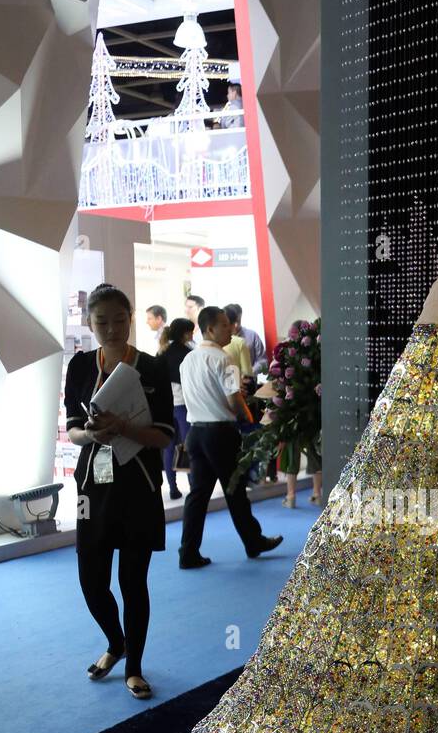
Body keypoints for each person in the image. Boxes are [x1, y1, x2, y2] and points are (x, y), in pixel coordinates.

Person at [64, 283, 175, 700]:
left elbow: (165, 437)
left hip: (140, 486)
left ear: (131, 318)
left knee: (133, 581)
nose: (111, 328)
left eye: (118, 319)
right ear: (91, 323)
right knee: (91, 581)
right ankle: (115, 642)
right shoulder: (79, 367)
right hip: (93, 485)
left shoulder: (152, 367)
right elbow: (73, 427)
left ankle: (134, 667)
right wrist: (90, 433)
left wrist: (125, 427)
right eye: (101, 321)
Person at [178, 306, 282, 568]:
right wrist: (251, 418)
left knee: (197, 495)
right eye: (224, 324)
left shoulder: (188, 360)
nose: (231, 328)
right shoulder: (224, 359)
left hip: (196, 433)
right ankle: (253, 541)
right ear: (210, 329)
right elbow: (234, 401)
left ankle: (188, 552)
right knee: (235, 491)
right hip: (221, 434)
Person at [159, 316, 195, 501]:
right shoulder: (188, 353)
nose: (193, 333)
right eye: (191, 330)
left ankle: (172, 488)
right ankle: (192, 484)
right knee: (188, 444)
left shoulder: (162, 352)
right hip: (183, 404)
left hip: (166, 405)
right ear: (185, 333)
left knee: (169, 446)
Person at [224, 303, 267, 375]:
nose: (236, 325)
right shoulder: (221, 339)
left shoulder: (252, 335)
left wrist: (251, 372)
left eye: (238, 321)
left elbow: (263, 361)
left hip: (251, 382)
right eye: (233, 322)